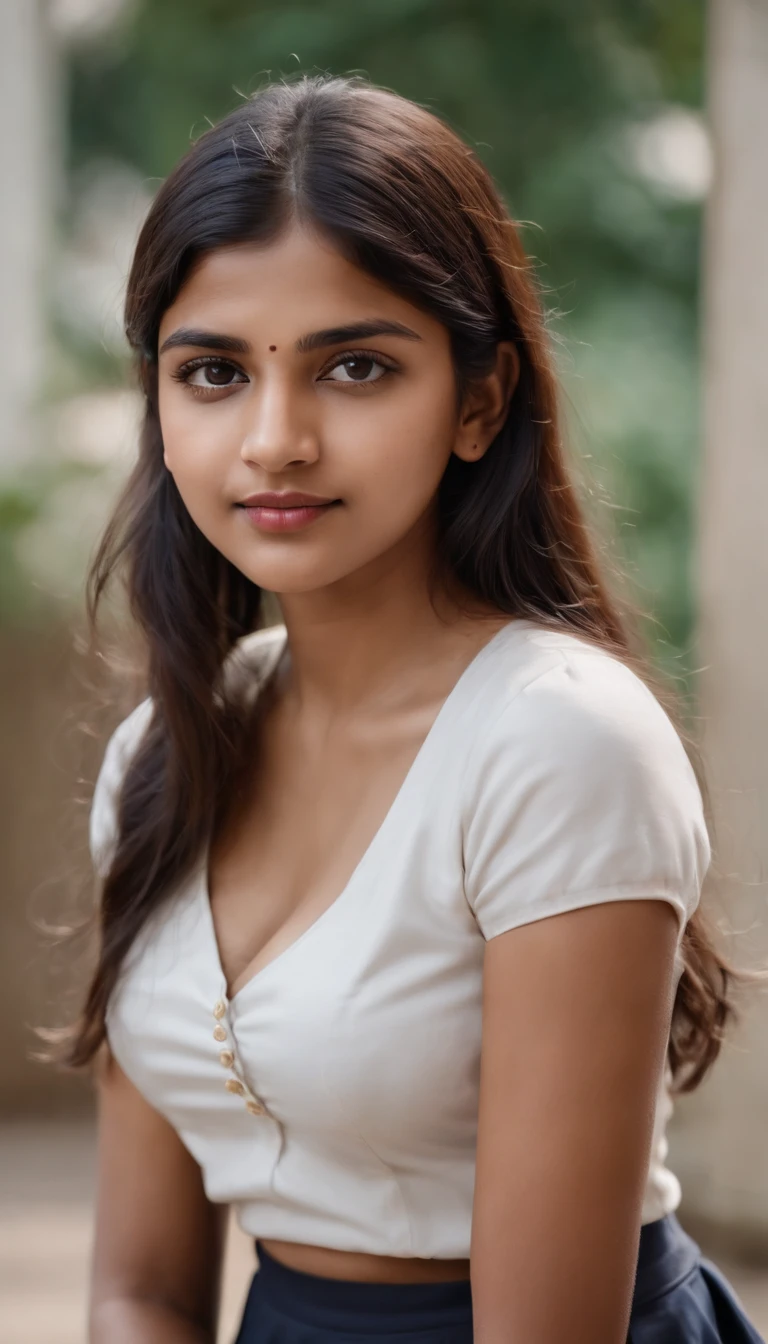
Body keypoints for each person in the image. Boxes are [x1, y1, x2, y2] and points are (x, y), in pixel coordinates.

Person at [68, 74, 764, 1343]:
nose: (275, 440)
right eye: (214, 371)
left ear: (480, 400)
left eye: (355, 367)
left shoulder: (558, 743)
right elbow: (141, 1291)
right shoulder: (163, 756)